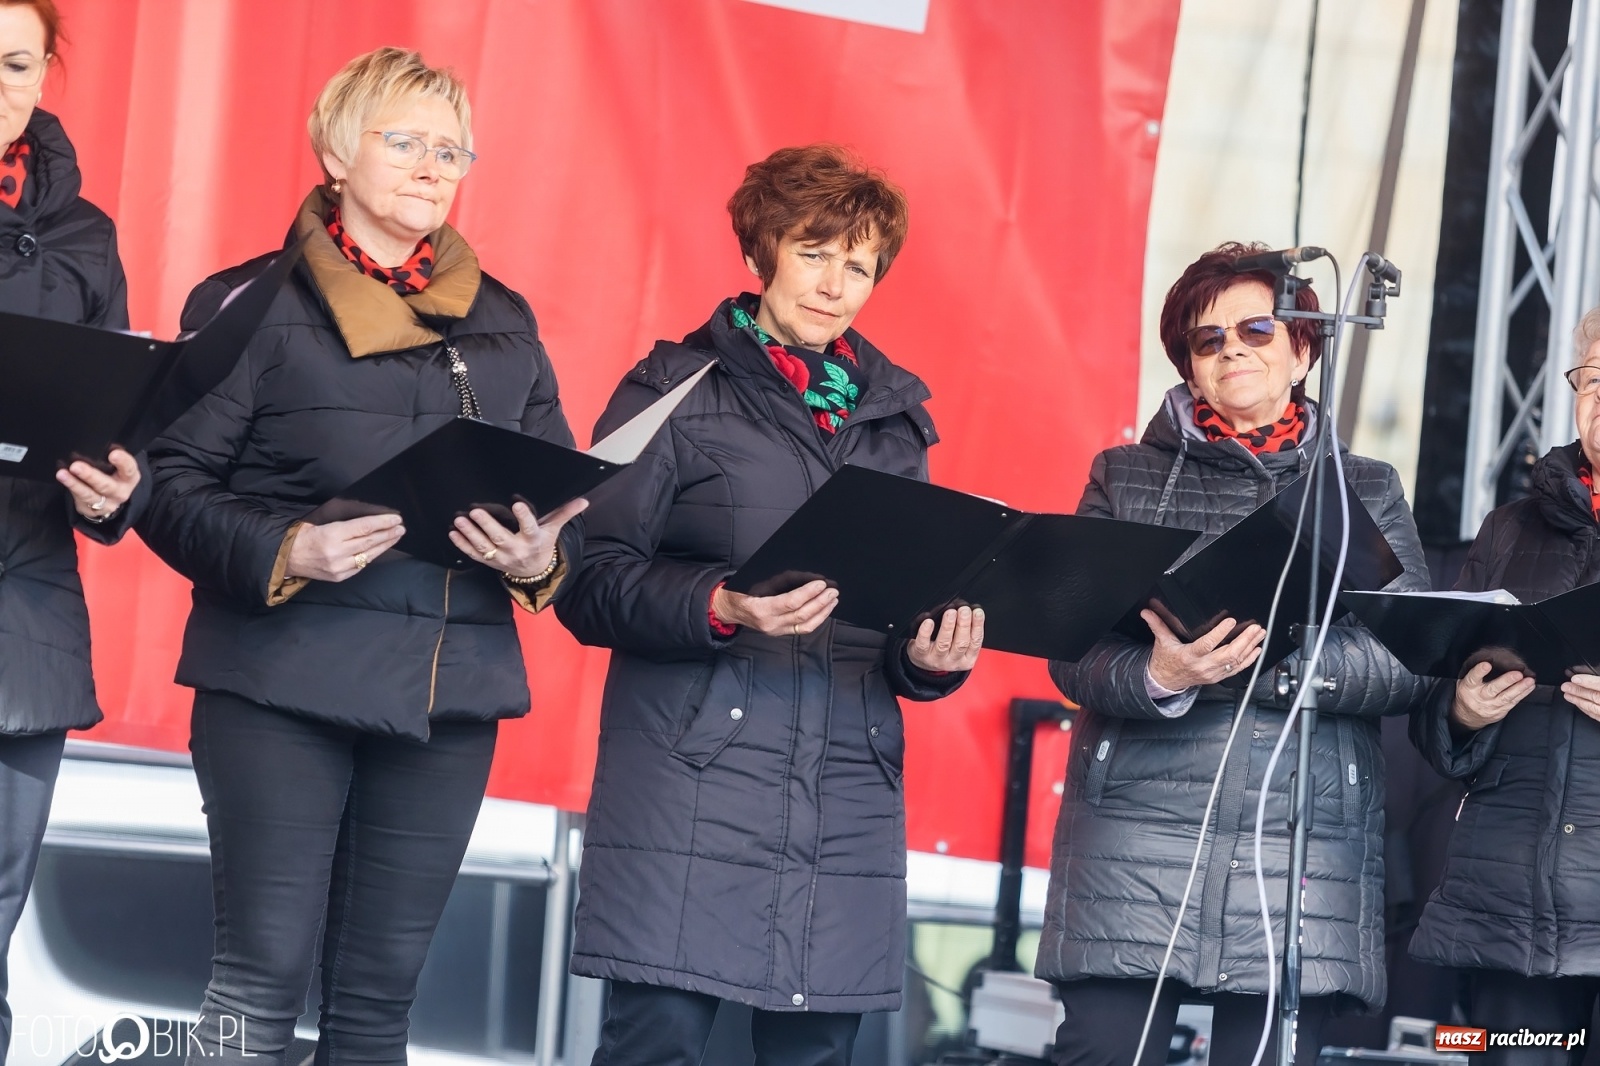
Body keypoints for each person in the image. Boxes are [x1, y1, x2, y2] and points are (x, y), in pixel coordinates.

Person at [137, 48, 583, 1066]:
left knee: (379, 1009)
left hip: (447, 699)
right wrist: (288, 544)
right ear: (336, 154)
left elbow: (567, 504)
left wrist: (536, 556)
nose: (432, 167)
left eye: (451, 150)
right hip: (277, 686)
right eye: (406, 141)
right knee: (256, 994)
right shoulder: (251, 304)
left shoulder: (505, 322)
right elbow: (164, 481)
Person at [554, 144, 983, 1066]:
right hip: (692, 784)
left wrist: (927, 659)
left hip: (847, 790)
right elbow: (585, 581)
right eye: (813, 253)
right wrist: (723, 605)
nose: (834, 286)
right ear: (762, 252)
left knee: (814, 1050)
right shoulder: (672, 389)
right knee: (657, 1045)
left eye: (858, 266)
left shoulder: (896, 421)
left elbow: (894, 611)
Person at [1036, 242, 1432, 1065]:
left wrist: (1283, 667)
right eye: (1207, 339)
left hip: (1299, 848)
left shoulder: (1366, 486)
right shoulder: (1124, 476)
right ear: (1188, 365)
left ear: (1303, 349)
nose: (1233, 351)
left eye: (1257, 330)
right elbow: (1070, 651)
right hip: (1134, 846)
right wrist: (1159, 675)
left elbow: (1410, 658)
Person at [0, 2, 141, 1059]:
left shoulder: (85, 233)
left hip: (25, 612)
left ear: (47, 73)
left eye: (15, 63)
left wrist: (112, 490)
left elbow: (116, 423)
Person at [1407, 311, 1600, 1062]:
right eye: (1593, 378)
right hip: (1512, 902)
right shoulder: (1509, 529)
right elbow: (1436, 699)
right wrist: (1461, 711)